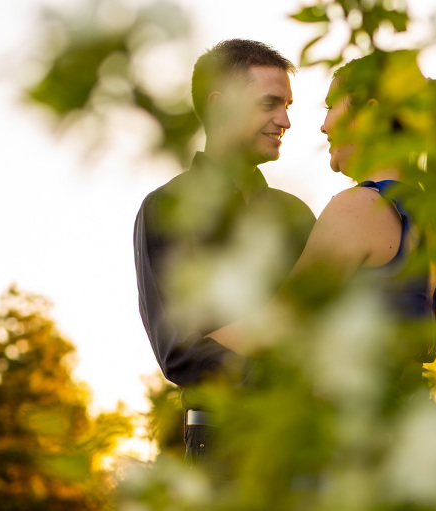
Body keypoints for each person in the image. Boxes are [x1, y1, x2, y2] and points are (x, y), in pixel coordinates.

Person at [207, 51, 436, 384]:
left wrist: (191, 351)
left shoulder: (361, 208)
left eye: (330, 107)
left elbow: (277, 324)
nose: (324, 126)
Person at [133, 39, 317, 466]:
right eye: (270, 103)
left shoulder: (297, 216)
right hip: (221, 448)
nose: (285, 120)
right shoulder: (167, 209)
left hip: (309, 448)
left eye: (288, 105)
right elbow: (183, 354)